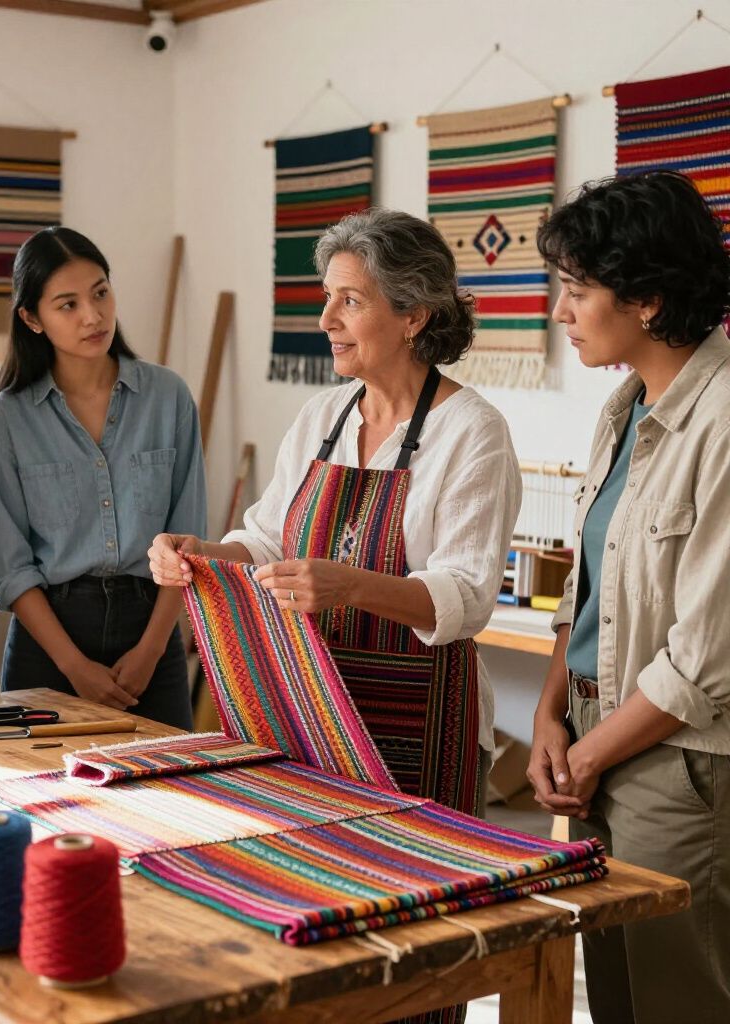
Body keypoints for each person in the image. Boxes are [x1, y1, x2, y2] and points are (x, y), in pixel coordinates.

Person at [151, 206, 520, 1024]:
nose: (326, 320)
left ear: (414, 314)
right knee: (320, 940)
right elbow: (264, 536)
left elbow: (464, 597)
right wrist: (201, 554)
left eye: (349, 300)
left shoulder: (471, 433)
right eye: (329, 299)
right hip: (311, 722)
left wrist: (351, 587)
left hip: (419, 731)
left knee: (417, 961)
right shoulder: (324, 418)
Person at [526, 170, 730, 1024]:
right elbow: (588, 593)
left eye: (576, 290)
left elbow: (706, 659)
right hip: (596, 741)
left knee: (674, 998)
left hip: (676, 766)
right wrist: (548, 721)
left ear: (647, 298)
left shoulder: (721, 420)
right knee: (610, 995)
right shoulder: (623, 408)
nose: (561, 313)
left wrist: (592, 751)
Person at [0, 227, 205, 730]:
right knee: (39, 794)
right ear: (32, 318)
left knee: (170, 795)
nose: (93, 315)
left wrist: (149, 653)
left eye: (101, 292)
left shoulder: (168, 398)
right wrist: (74, 667)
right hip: (50, 641)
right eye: (68, 304)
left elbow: (188, 546)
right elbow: (10, 567)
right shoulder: (9, 420)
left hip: (151, 631)